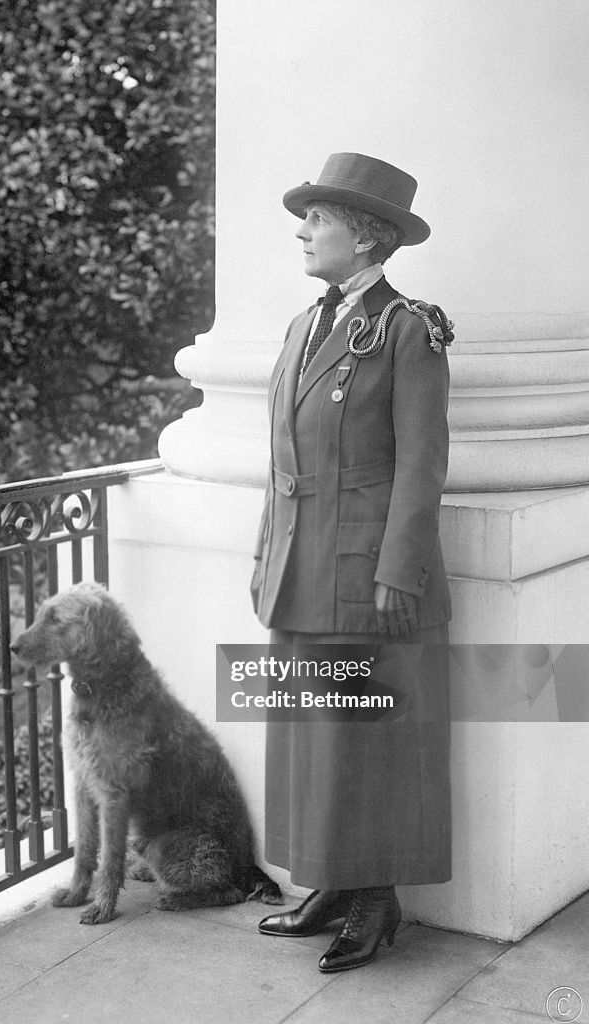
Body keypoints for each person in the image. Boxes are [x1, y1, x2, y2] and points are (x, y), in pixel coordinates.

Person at [250, 152, 454, 973]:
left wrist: (398, 570)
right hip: (302, 566)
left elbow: (422, 462)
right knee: (312, 734)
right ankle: (332, 883)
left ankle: (375, 902)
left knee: (368, 739)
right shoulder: (306, 325)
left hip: (368, 571)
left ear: (365, 238)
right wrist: (267, 553)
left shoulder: (409, 329)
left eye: (319, 221)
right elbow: (280, 460)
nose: (303, 232)